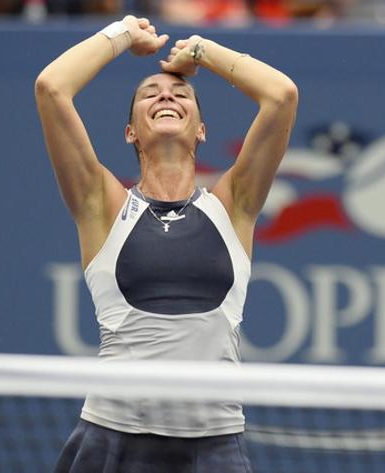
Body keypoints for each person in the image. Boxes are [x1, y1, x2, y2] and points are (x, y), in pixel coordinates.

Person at [35, 15, 298, 472]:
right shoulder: (101, 205)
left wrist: (200, 50)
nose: (165, 95)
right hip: (111, 439)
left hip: (213, 445)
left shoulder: (235, 205)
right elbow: (51, 87)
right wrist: (122, 35)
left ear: (201, 130)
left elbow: (281, 96)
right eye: (149, 94)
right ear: (130, 132)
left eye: (181, 94)